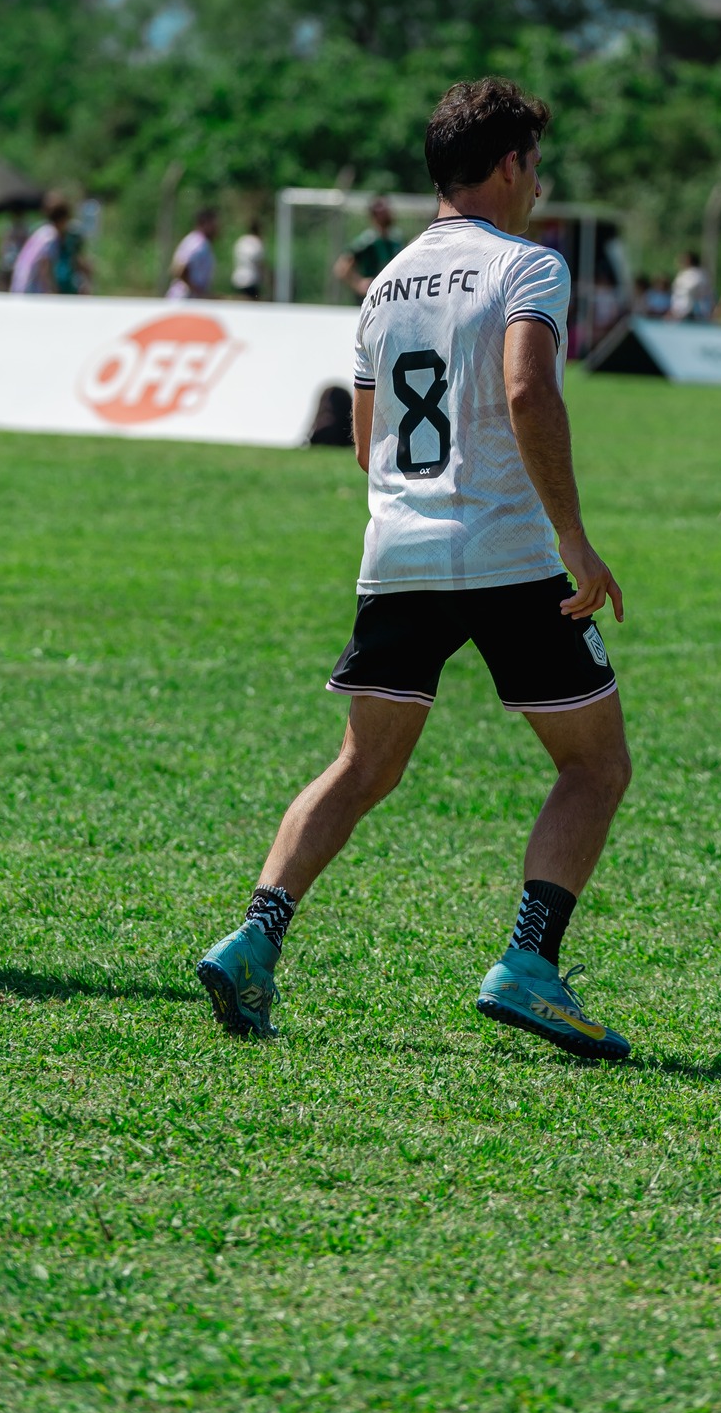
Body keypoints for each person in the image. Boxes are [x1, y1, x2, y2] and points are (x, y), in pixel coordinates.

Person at [197, 77, 633, 1060]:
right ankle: (529, 961)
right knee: (594, 762)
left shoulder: (384, 282)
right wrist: (573, 533)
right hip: (509, 553)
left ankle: (254, 936)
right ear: (515, 163)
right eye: (537, 162)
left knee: (363, 765)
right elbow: (527, 388)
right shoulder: (529, 265)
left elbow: (365, 441)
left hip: (396, 553)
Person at [334, 197, 405, 302]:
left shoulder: (396, 240)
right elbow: (342, 267)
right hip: (371, 298)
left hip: (391, 297)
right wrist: (358, 284)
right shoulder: (367, 241)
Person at [11, 192, 75, 294]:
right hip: (31, 291)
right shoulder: (51, 237)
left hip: (20, 286)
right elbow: (44, 268)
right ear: (63, 219)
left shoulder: (42, 231)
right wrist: (52, 291)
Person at [168, 208, 218, 299]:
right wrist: (198, 291)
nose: (217, 228)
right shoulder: (197, 243)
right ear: (206, 223)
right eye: (214, 224)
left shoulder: (199, 242)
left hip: (190, 300)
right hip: (185, 299)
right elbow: (179, 270)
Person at [669, 250, 712, 322]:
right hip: (679, 310)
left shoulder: (697, 274)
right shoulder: (683, 274)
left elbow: (691, 292)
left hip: (691, 312)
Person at [231, 218, 266, 300]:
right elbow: (260, 264)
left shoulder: (241, 241)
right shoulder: (257, 243)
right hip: (251, 280)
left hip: (237, 279)